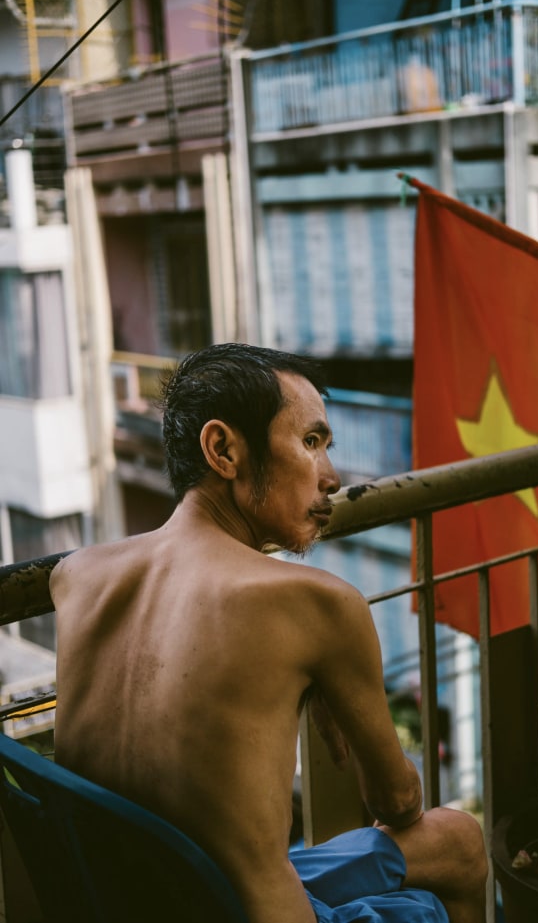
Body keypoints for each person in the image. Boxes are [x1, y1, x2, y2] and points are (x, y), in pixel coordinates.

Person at [51, 343, 488, 923]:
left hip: (133, 897)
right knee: (458, 844)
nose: (332, 478)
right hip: (246, 909)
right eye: (310, 443)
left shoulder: (75, 578)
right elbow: (399, 802)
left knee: (451, 840)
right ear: (223, 450)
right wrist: (336, 677)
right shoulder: (314, 603)